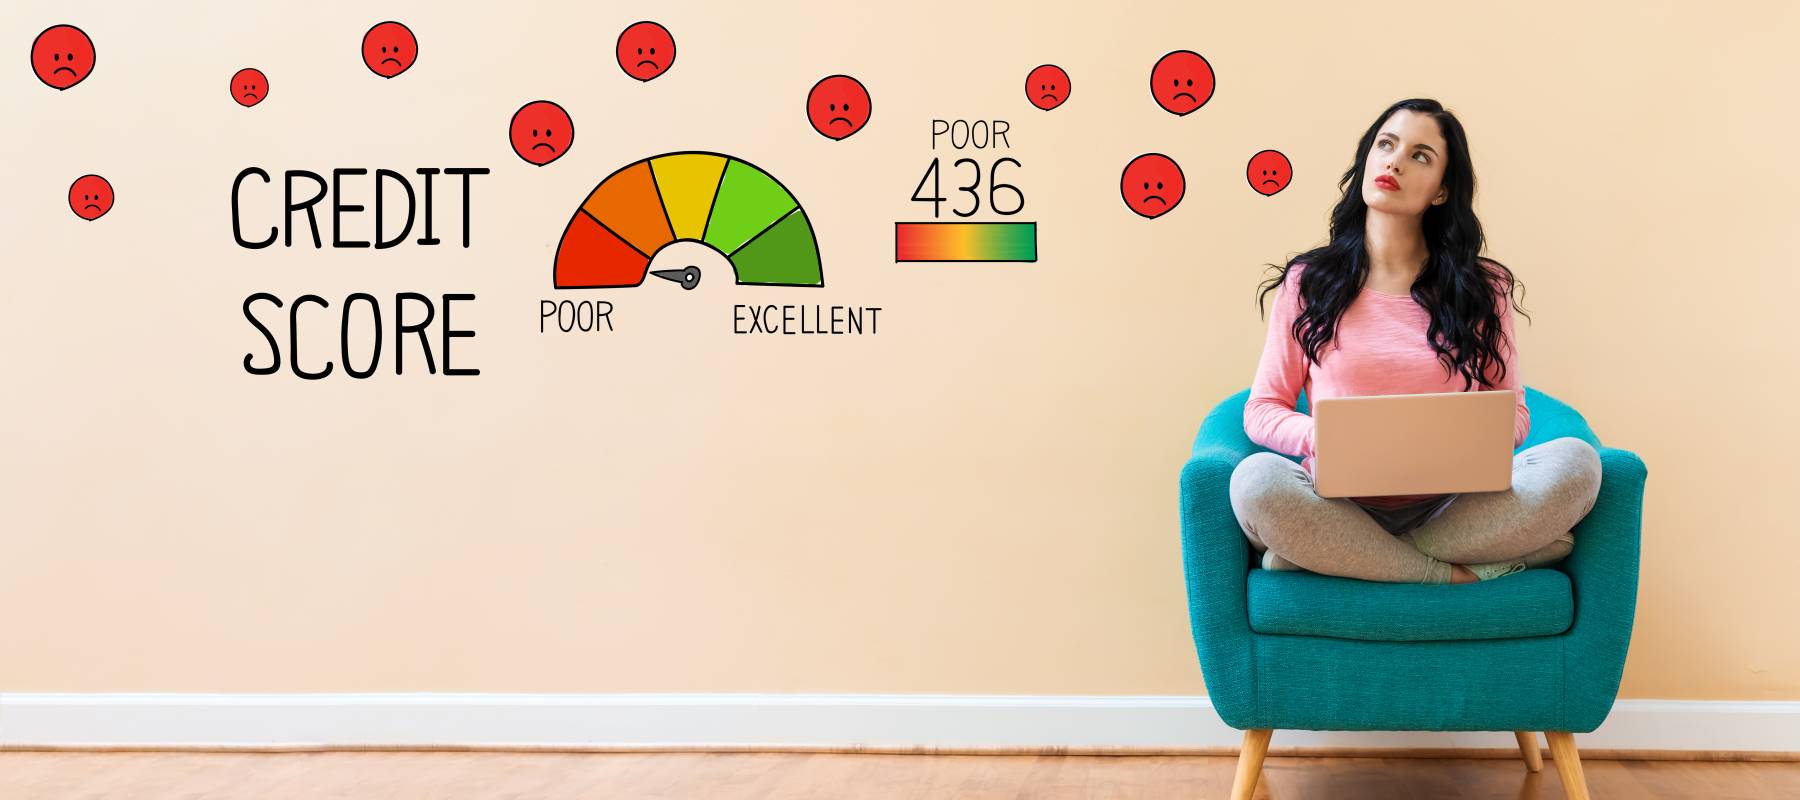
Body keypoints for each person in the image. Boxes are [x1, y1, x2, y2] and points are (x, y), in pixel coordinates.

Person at [1229, 98, 1602, 585]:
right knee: (1255, 483)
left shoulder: (1484, 288)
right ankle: (1447, 573)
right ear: (1367, 158)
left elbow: (1513, 412)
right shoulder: (1308, 282)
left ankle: (1340, 560)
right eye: (1386, 145)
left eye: (1420, 155)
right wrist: (1324, 438)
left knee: (1578, 463)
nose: (1395, 161)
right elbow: (1263, 408)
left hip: (1453, 508)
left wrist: (1460, 442)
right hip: (1336, 504)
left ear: (1442, 191)